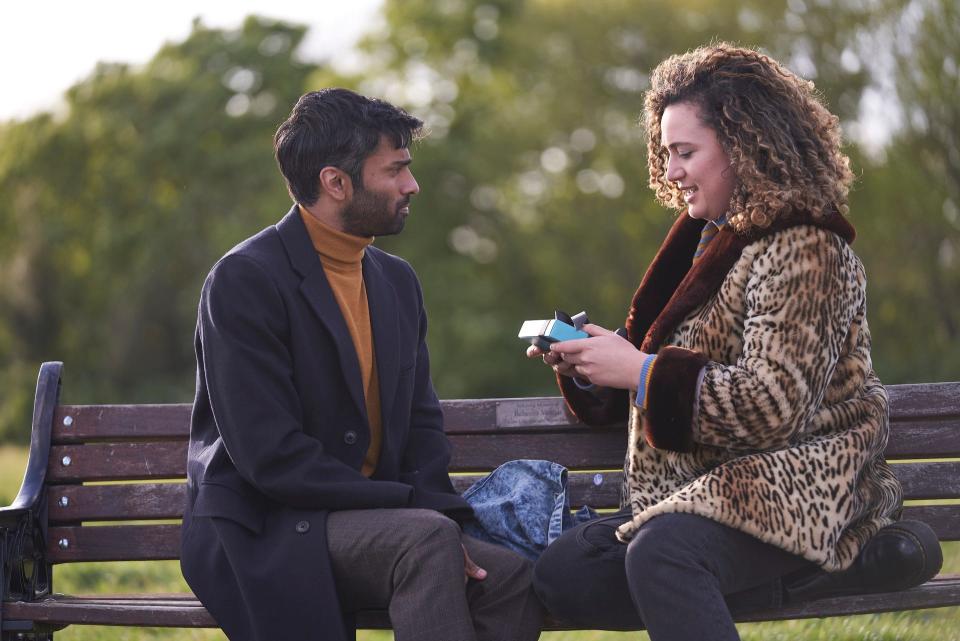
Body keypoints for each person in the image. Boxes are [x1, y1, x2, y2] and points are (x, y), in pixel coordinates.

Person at [527, 43, 918, 640]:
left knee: (665, 556)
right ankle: (839, 567)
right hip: (698, 490)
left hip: (801, 483)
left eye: (684, 152)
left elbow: (774, 407)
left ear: (745, 146)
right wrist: (593, 364)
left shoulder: (805, 246)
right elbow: (653, 361)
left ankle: (837, 545)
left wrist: (639, 372)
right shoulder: (707, 236)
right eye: (666, 154)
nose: (671, 171)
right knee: (567, 572)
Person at [181, 88, 542, 641]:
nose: (411, 185)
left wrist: (436, 510)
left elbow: (422, 424)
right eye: (395, 170)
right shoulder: (245, 280)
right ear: (336, 182)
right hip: (270, 526)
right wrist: (411, 508)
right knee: (425, 542)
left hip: (380, 521)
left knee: (507, 575)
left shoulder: (396, 281)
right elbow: (269, 456)